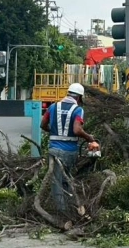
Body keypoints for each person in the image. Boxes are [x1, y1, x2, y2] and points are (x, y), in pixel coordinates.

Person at [41, 82, 99, 216]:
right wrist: (89, 137)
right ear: (79, 97)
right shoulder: (78, 109)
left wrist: (55, 132)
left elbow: (43, 124)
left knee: (57, 182)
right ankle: (66, 212)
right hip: (70, 152)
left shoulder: (53, 107)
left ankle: (61, 212)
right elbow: (77, 129)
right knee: (67, 180)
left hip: (54, 150)